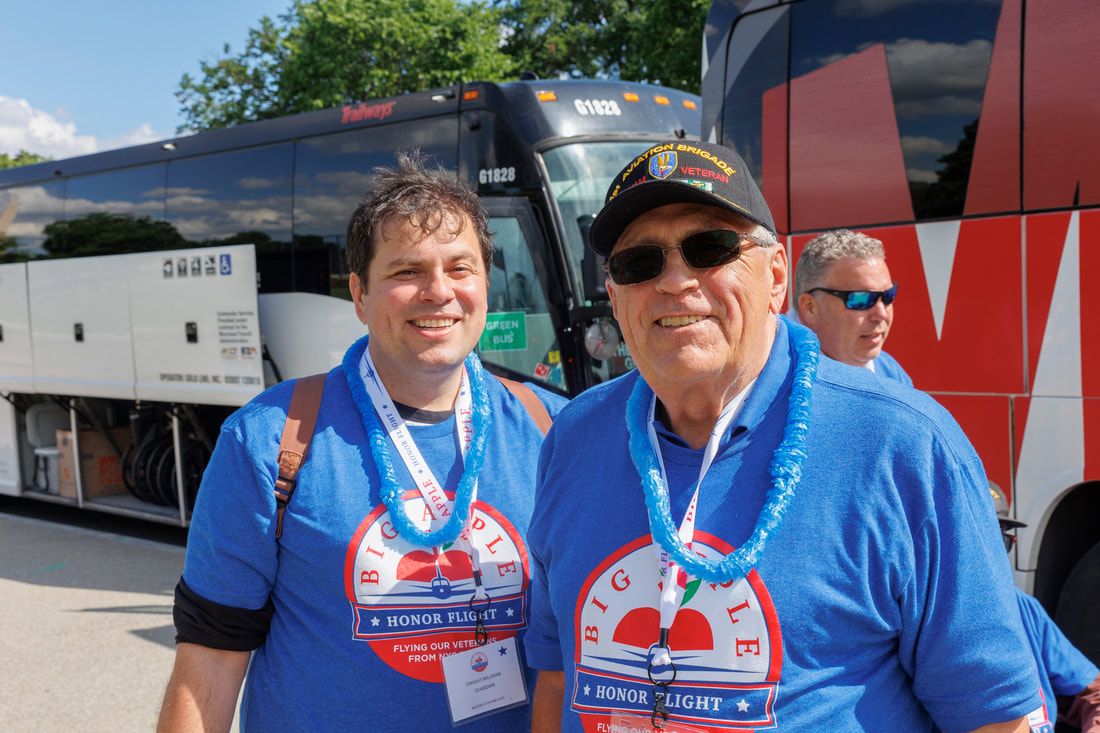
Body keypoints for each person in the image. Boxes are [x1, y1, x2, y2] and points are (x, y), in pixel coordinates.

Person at [523, 141, 1043, 732]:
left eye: (709, 248)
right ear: (615, 298)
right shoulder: (575, 436)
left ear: (775, 278)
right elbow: (558, 674)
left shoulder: (903, 445)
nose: (675, 280)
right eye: (638, 263)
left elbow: (993, 717)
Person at [157, 152, 566, 731]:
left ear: (485, 285)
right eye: (407, 272)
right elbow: (210, 657)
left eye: (460, 268)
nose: (438, 292)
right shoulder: (271, 437)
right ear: (359, 294)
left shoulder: (556, 430)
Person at [991, 487, 1100, 732]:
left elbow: (1092, 691)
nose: (990, 554)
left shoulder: (1024, 608)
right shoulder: (925, 627)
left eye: (1000, 539)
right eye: (981, 538)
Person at [794, 228, 912, 385]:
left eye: (889, 295)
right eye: (862, 299)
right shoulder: (777, 380)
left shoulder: (891, 371)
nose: (881, 314)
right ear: (810, 308)